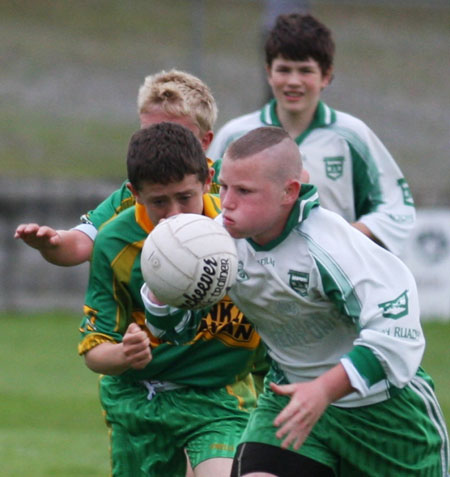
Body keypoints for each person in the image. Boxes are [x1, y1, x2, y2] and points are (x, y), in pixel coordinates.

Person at [142, 127, 449, 476]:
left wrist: (323, 391)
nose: (226, 202)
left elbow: (396, 336)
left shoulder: (330, 246)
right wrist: (161, 291)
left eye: (244, 191)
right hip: (289, 401)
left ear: (288, 192)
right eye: (223, 187)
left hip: (384, 415)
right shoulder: (216, 246)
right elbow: (177, 332)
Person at [79, 122, 262, 476]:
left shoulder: (240, 230)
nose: (175, 213)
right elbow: (94, 350)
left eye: (185, 197)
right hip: (139, 401)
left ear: (208, 181)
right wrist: (124, 353)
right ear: (135, 193)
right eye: (159, 201)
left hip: (219, 399)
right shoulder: (115, 243)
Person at [207, 13, 415, 256]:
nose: (294, 81)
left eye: (305, 71)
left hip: (331, 284)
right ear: (269, 73)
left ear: (326, 76)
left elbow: (395, 207)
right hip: (253, 283)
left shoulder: (351, 135)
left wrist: (344, 237)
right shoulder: (237, 135)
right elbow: (208, 204)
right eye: (284, 70)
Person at [14, 69, 221, 266]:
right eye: (150, 133)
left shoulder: (232, 182)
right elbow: (82, 242)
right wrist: (53, 243)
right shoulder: (132, 194)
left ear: (205, 141)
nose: (162, 142)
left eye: (177, 134)